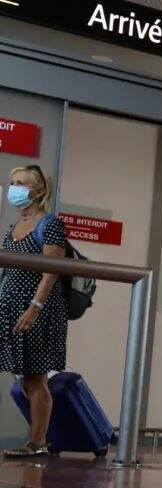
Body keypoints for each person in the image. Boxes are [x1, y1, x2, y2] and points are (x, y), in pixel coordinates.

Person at [0, 166, 68, 458]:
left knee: (35, 376)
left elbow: (52, 271)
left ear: (38, 191)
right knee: (22, 375)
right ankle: (36, 440)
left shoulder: (49, 224)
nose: (14, 188)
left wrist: (34, 308)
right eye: (13, 183)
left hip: (37, 310)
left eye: (21, 184)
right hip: (9, 306)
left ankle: (37, 443)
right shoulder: (13, 226)